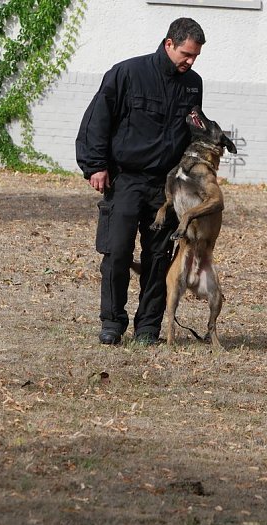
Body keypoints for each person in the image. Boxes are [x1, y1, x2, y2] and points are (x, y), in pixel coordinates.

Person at [75, 18, 205, 345]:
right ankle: (112, 323)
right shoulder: (127, 74)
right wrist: (95, 166)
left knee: (158, 257)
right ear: (169, 44)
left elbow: (193, 131)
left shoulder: (193, 84)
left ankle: (148, 327)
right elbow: (97, 121)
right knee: (117, 253)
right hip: (126, 180)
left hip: (165, 187)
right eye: (186, 54)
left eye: (195, 57)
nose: (190, 62)